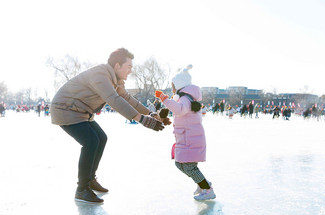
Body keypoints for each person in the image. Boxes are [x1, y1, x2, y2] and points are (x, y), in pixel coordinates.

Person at [50, 48, 167, 203]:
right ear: (117, 66)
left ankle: (90, 179)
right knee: (90, 142)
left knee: (101, 138)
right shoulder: (100, 75)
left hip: (81, 112)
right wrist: (141, 119)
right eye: (129, 67)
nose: (130, 71)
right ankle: (82, 189)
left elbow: (127, 98)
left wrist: (150, 114)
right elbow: (114, 99)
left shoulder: (115, 80)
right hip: (65, 109)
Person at [155, 65, 216, 201]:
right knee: (180, 164)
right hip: (185, 137)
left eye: (173, 86)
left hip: (190, 138)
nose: (172, 89)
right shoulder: (184, 98)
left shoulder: (185, 99)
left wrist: (164, 99)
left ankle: (207, 189)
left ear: (179, 85)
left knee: (189, 166)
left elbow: (180, 110)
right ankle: (203, 183)